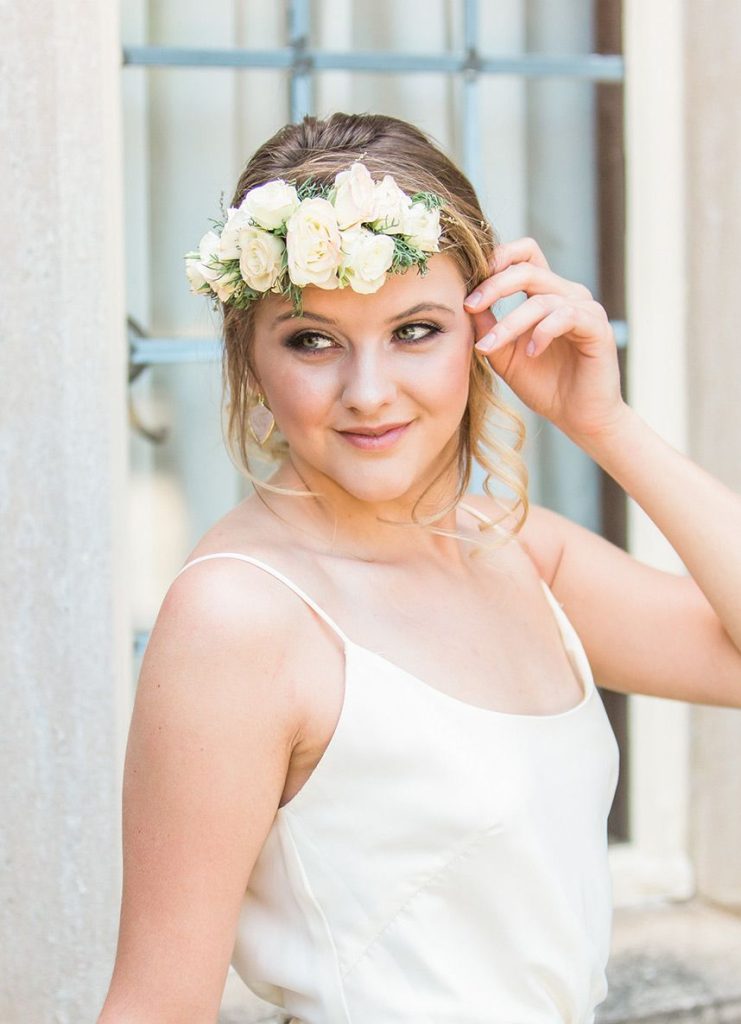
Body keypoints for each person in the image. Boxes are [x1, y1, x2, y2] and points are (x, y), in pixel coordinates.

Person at [98, 112, 741, 1024]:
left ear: (479, 334)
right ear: (250, 359)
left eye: (414, 331)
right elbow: (154, 1007)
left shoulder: (515, 550)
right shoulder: (238, 617)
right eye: (312, 339)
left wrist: (605, 424)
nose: (368, 392)